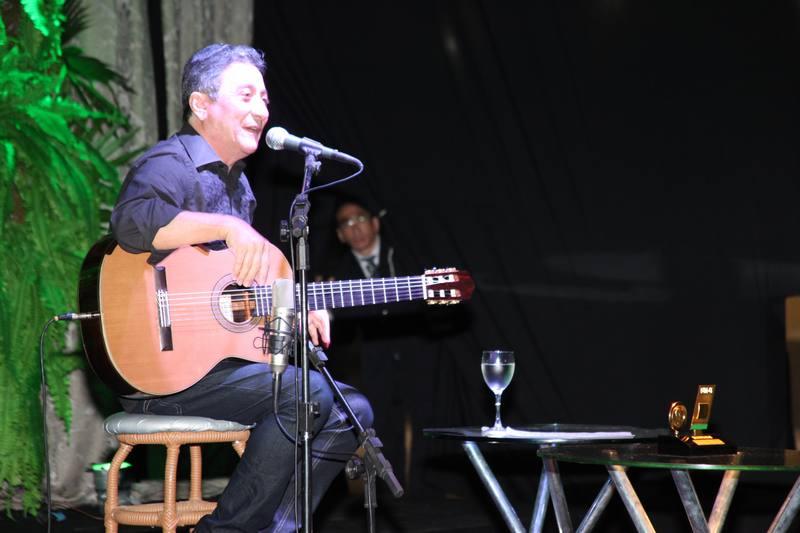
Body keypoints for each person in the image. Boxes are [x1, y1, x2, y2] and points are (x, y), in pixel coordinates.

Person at [110, 43, 373, 532]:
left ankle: (278, 527)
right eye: (246, 95)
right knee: (307, 393)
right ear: (201, 104)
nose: (262, 109)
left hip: (217, 368)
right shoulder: (169, 163)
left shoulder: (240, 188)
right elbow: (131, 221)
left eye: (265, 99)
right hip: (159, 375)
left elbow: (237, 294)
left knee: (352, 410)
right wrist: (228, 227)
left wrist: (294, 306)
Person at [323, 196, 436, 496]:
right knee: (380, 420)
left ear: (374, 222)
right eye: (346, 223)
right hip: (370, 355)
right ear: (340, 235)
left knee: (424, 415)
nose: (355, 227)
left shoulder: (406, 255)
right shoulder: (338, 273)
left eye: (360, 218)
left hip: (415, 347)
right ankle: (388, 493)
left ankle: (425, 489)